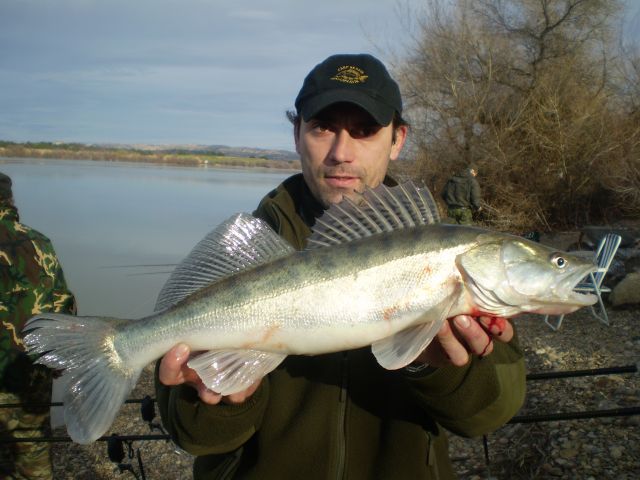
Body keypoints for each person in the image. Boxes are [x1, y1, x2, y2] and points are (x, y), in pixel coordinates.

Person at [155, 53, 526, 479]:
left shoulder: (451, 256)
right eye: (323, 127)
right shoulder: (241, 254)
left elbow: (487, 417)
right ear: (297, 133)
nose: (341, 152)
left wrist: (437, 370)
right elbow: (196, 439)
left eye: (365, 130)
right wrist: (217, 401)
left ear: (397, 139)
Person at [0, 172, 76, 480]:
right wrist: (60, 358)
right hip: (33, 371)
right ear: (10, 200)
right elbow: (63, 305)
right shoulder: (38, 242)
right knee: (34, 449)